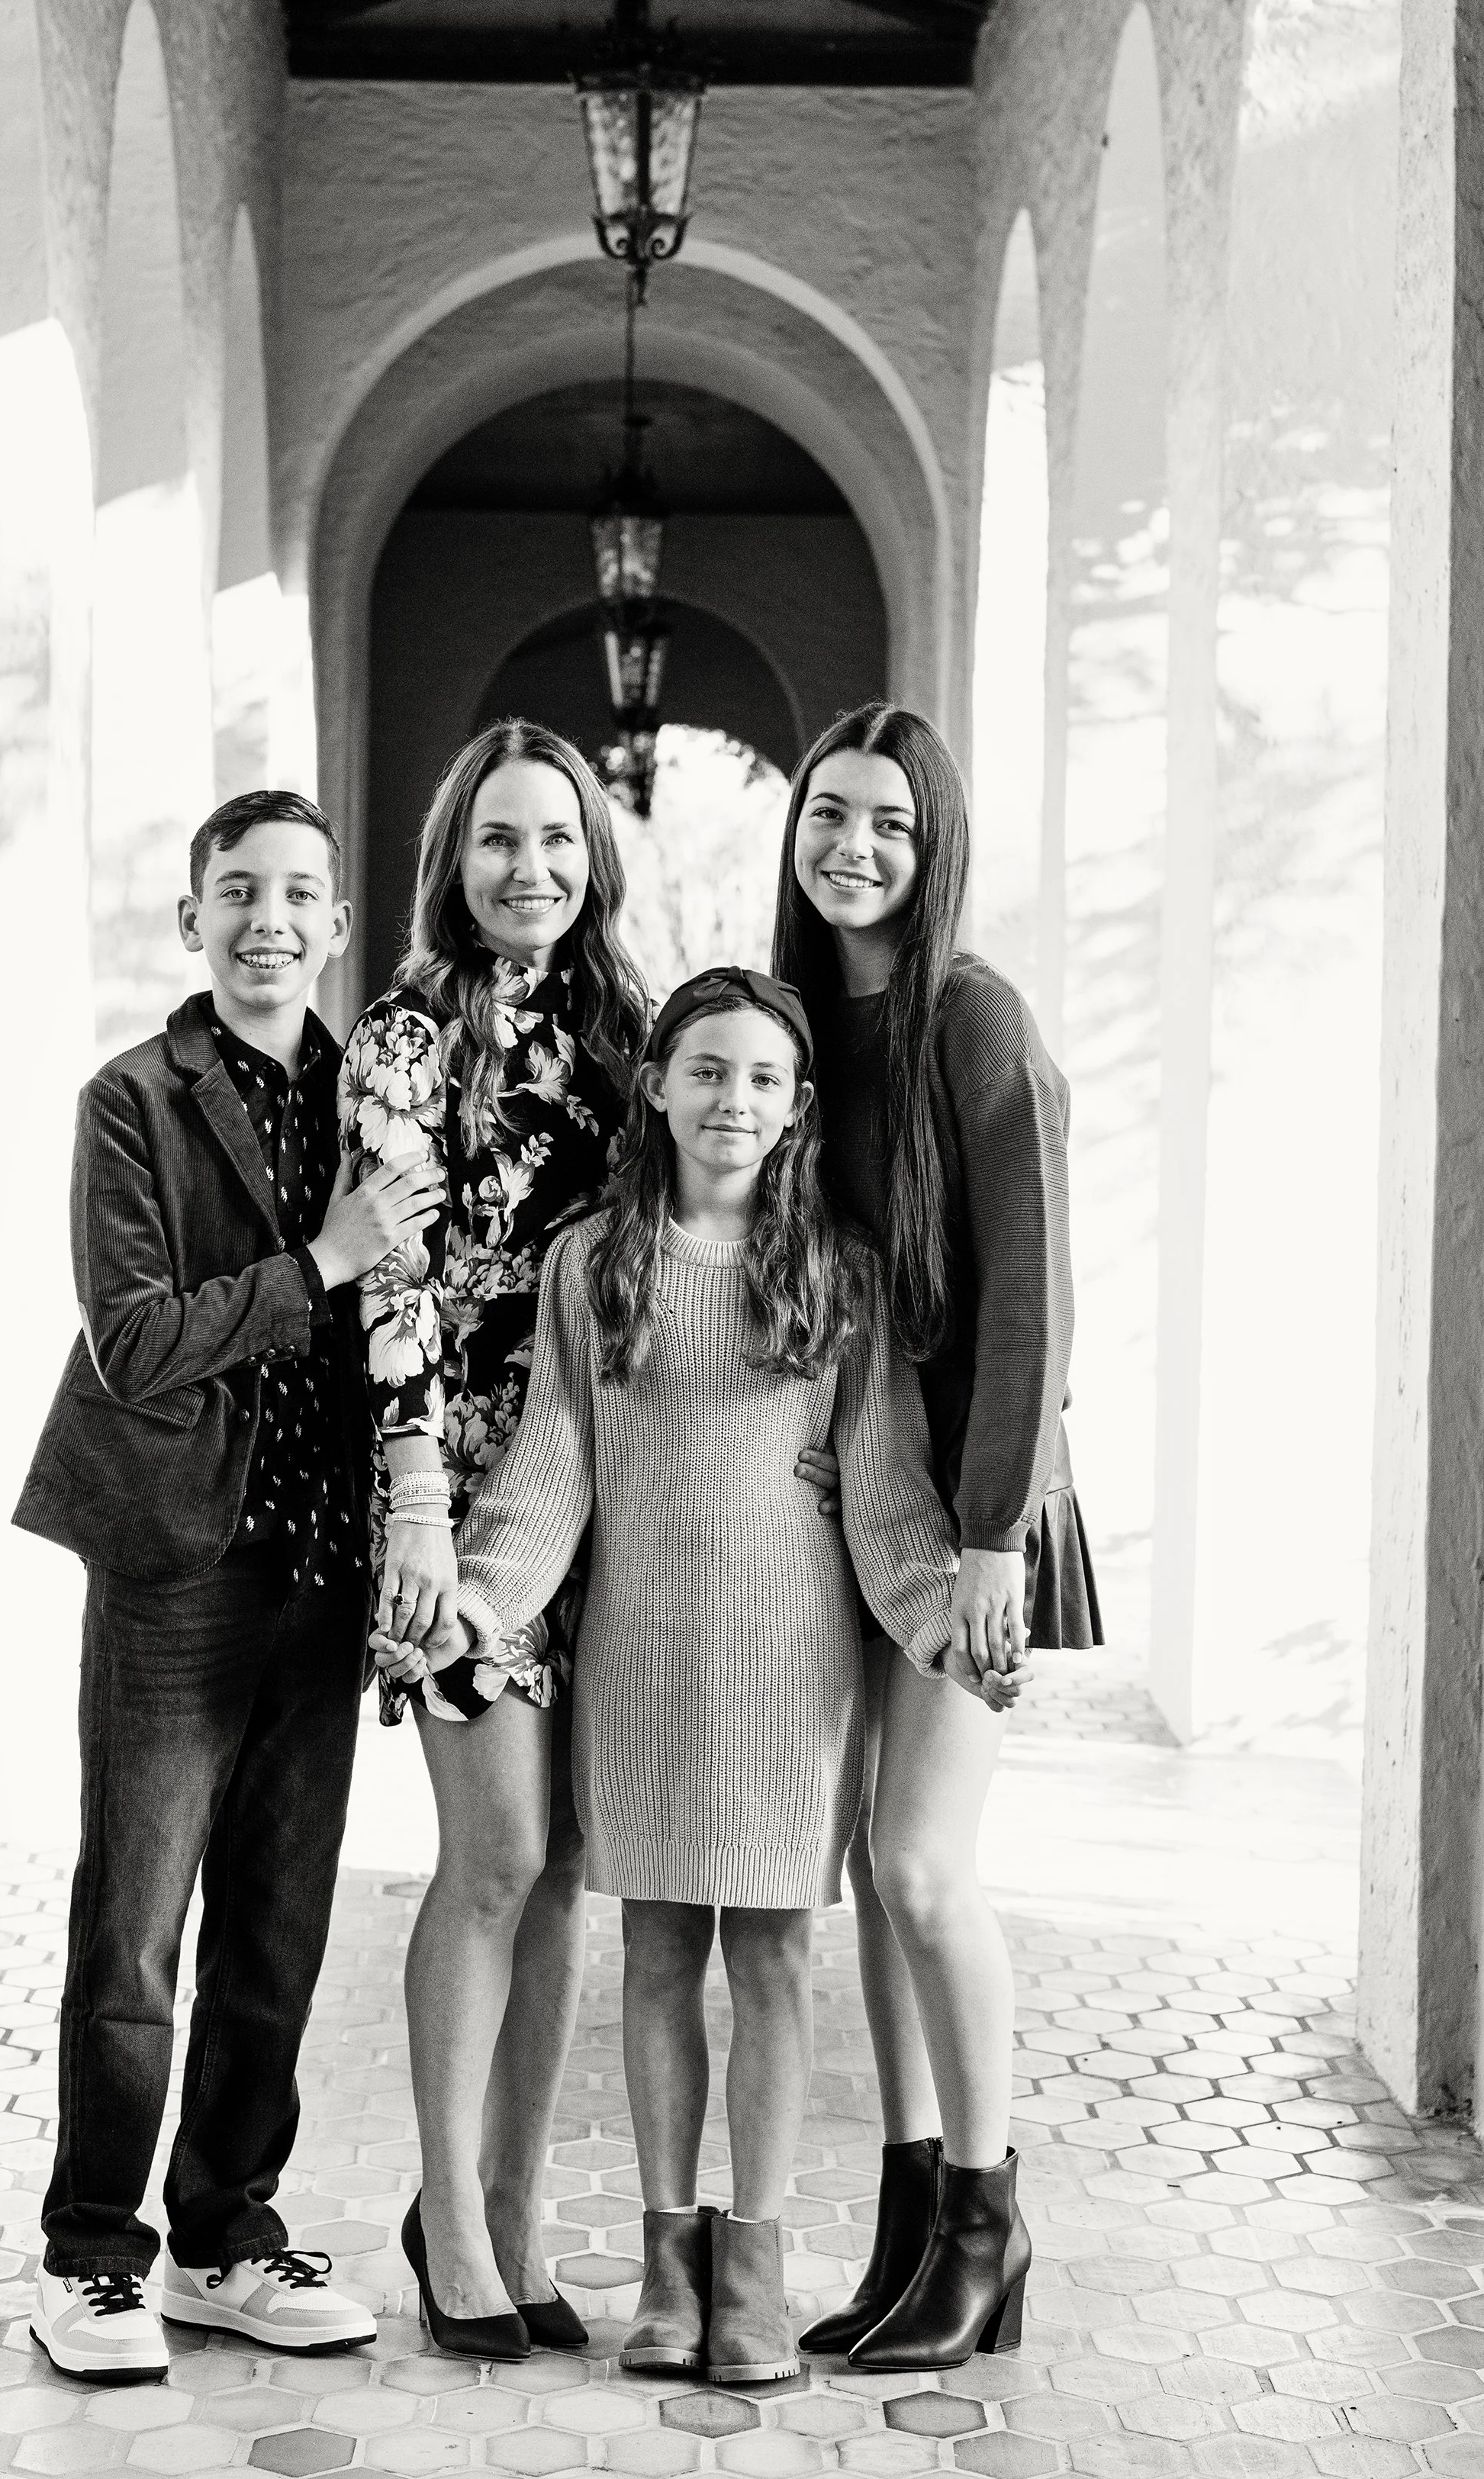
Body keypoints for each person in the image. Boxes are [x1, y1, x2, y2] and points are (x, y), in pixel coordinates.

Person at [405, 968, 1007, 2387]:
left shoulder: (837, 1273)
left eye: (760, 1080)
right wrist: (475, 1606)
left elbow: (882, 1484)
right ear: (659, 1090)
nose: (731, 1101)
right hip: (644, 1652)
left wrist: (941, 1621)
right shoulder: (593, 1263)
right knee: (663, 1954)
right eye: (705, 1073)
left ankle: (757, 2261)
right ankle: (667, 2265)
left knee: (779, 1959)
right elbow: (550, 1467)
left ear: (797, 1109)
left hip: (795, 1665)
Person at [14, 789, 443, 2384]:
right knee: (134, 1926)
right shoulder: (129, 1098)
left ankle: (224, 2235)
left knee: (277, 1923)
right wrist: (318, 1264)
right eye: (238, 890)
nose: (271, 917)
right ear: (191, 919)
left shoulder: (381, 1102)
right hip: (173, 1562)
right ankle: (93, 2256)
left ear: (340, 924)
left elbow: (417, 1333)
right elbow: (132, 1343)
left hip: (324, 1566)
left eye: (302, 893)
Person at [771, 702, 1100, 2371]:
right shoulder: (806, 1022)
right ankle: (912, 2221)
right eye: (831, 813)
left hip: (972, 1502)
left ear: (936, 841)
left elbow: (1031, 1297)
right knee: (863, 1876)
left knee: (918, 1861)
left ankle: (991, 2216)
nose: (855, 845)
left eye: (891, 823)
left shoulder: (977, 1017)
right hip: (853, 1493)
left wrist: (994, 1539)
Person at [337, 720, 649, 2361]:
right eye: (498, 840)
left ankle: (516, 2218)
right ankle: (449, 2218)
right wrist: (412, 1499)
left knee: (575, 1869)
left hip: (609, 1485)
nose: (530, 868)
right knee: (499, 1855)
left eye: (558, 841)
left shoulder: (635, 1033)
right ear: (453, 860)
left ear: (595, 860)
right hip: (459, 1483)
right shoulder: (401, 1039)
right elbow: (389, 1285)